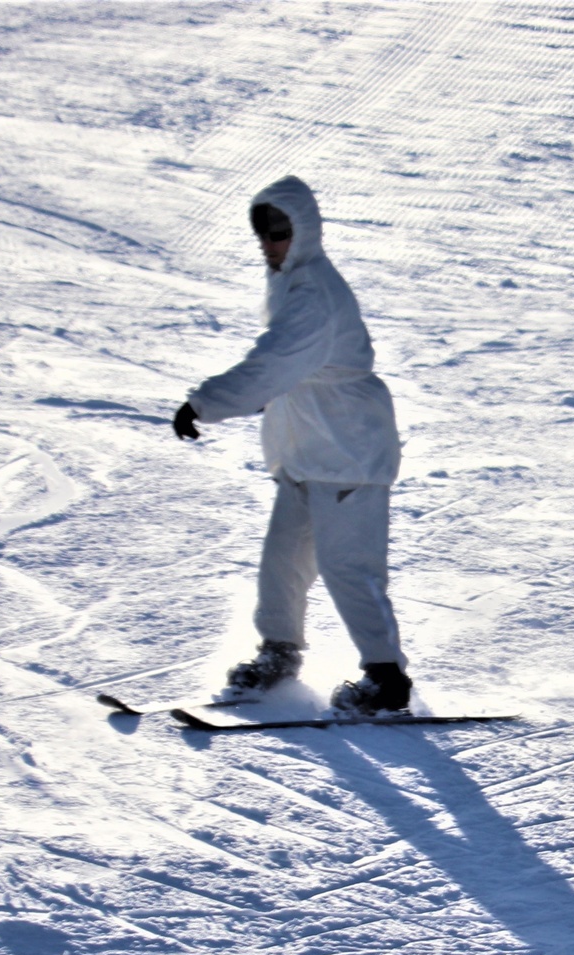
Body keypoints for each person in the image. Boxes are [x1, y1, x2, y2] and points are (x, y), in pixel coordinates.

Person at [173, 175, 411, 715]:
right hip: (307, 447)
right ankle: (279, 653)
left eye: (280, 229)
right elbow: (291, 370)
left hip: (346, 448)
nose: (270, 241)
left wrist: (205, 403)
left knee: (348, 565)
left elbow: (274, 363)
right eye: (263, 229)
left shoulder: (311, 293)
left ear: (303, 231)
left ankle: (387, 679)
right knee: (282, 561)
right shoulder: (291, 282)